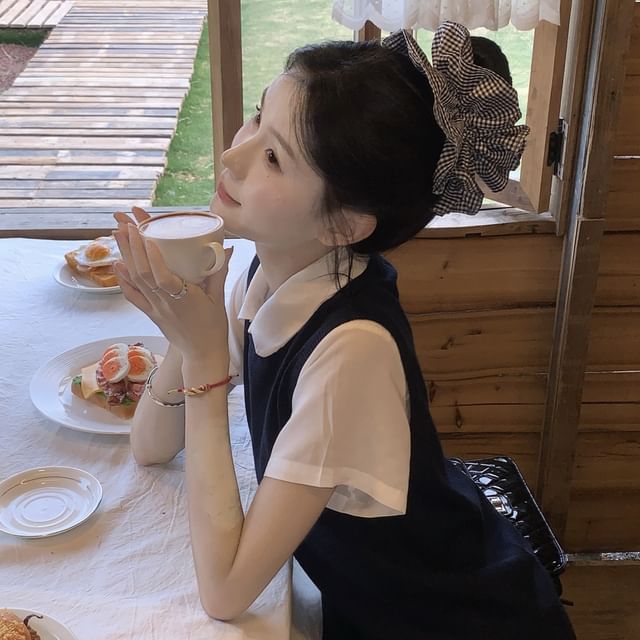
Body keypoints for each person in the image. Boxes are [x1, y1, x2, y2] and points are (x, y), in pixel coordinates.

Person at [113, 22, 576, 640]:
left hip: (453, 623)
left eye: (273, 157)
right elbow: (151, 446)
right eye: (258, 117)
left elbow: (224, 591)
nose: (231, 156)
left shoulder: (352, 352)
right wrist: (184, 316)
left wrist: (202, 357)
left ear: (345, 225)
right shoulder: (270, 275)